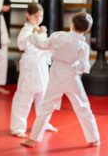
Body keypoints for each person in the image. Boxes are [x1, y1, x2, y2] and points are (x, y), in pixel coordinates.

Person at [21, 12, 100, 147]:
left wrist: (35, 34)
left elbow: (42, 45)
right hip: (72, 76)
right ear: (87, 30)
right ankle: (94, 138)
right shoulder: (83, 46)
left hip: (57, 74)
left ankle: (32, 139)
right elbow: (83, 67)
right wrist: (74, 66)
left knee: (46, 107)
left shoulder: (59, 36)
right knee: (83, 107)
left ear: (72, 24)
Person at [10, 3, 57, 138]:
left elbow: (45, 46)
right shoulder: (27, 30)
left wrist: (50, 50)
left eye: (40, 15)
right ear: (28, 15)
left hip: (41, 64)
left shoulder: (39, 29)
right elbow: (21, 44)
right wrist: (34, 33)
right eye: (35, 16)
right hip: (30, 64)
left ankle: (44, 123)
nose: (38, 18)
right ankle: (17, 127)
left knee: (43, 96)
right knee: (25, 96)